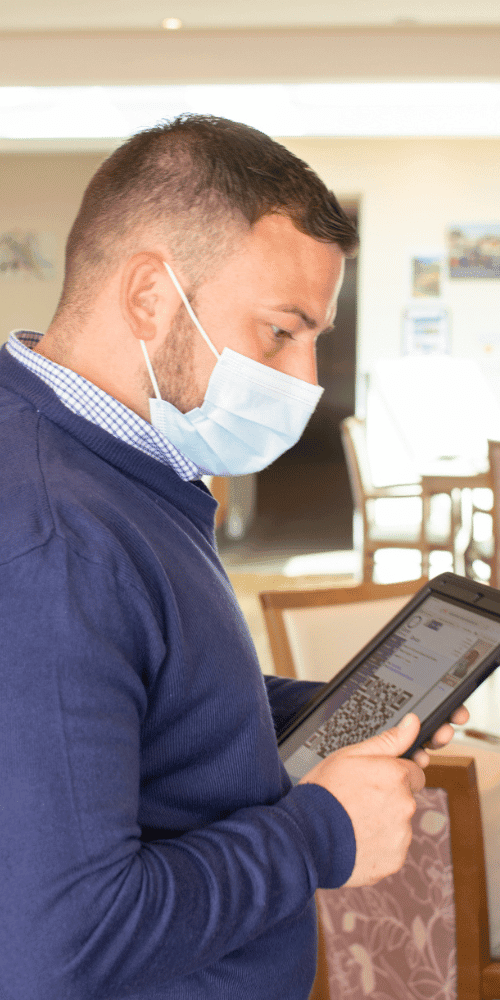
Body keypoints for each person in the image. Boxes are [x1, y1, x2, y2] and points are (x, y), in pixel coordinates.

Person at [0, 115, 468, 1000]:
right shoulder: (54, 539)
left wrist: (327, 709)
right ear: (149, 295)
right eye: (281, 332)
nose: (305, 377)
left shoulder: (116, 468)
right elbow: (60, 948)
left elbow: (120, 695)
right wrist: (324, 832)